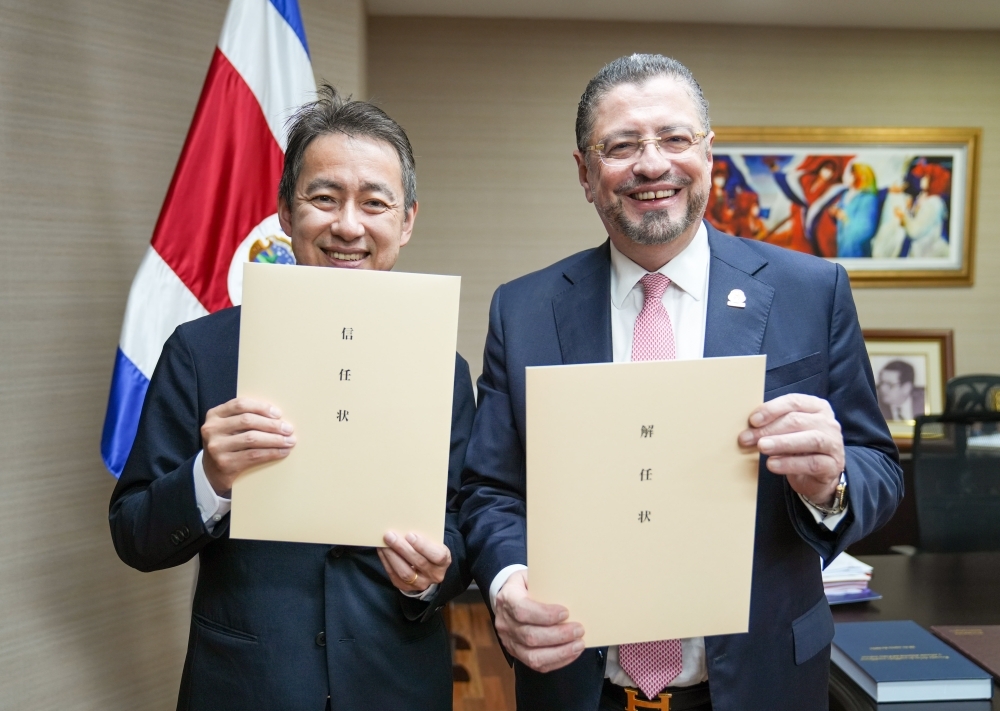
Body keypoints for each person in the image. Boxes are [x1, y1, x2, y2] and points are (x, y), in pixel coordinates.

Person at [458, 54, 902, 711]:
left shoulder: (812, 291)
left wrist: (831, 482)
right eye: (621, 146)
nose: (651, 164)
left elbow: (878, 467)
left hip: (764, 682)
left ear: (708, 154)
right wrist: (507, 581)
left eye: (674, 138)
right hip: (578, 685)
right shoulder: (523, 311)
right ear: (585, 173)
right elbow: (490, 489)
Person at [109, 85, 475, 711]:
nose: (348, 225)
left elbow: (466, 526)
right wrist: (210, 478)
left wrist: (433, 575)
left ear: (407, 220)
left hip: (396, 683)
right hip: (245, 685)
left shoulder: (443, 364)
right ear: (284, 211)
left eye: (375, 202)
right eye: (324, 198)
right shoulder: (200, 351)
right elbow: (134, 534)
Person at [832, 162, 880, 258]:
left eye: (853, 174)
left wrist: (845, 218)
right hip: (842, 247)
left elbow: (866, 229)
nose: (850, 177)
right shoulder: (846, 194)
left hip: (857, 252)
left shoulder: (869, 199)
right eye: (851, 174)